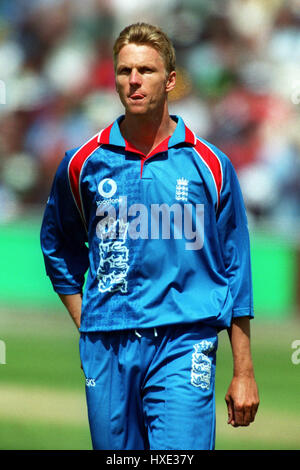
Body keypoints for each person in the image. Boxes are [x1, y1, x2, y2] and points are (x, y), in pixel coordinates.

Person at [40, 22, 259, 450]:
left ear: (171, 80)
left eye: (146, 70)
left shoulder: (209, 165)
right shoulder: (83, 163)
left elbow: (237, 269)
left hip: (185, 342)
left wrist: (244, 371)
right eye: (124, 71)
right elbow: (57, 246)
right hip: (107, 347)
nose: (134, 80)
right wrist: (88, 321)